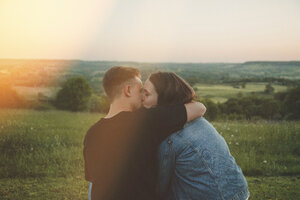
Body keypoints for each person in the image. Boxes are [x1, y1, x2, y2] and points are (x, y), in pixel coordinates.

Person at [83, 66, 206, 200]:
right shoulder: (144, 121)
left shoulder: (92, 133)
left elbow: (93, 178)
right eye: (140, 90)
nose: (142, 96)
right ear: (128, 90)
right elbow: (199, 108)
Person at [143, 71, 249, 200]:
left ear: (164, 97)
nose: (141, 98)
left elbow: (160, 186)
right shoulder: (198, 121)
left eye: (147, 94)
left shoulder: (171, 137)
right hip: (239, 191)